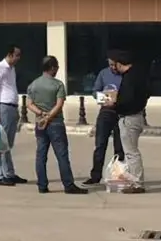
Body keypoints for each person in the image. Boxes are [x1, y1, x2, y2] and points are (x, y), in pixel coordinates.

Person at [26, 56, 88, 194]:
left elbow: (29, 104)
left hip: (40, 123)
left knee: (41, 155)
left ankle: (42, 185)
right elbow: (59, 105)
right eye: (57, 67)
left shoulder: (34, 84)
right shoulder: (58, 85)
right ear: (52, 68)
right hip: (56, 123)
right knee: (62, 155)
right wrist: (49, 116)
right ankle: (68, 185)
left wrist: (41, 114)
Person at [103, 49, 150, 194]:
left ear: (119, 63)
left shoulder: (129, 78)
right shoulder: (139, 74)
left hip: (129, 118)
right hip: (137, 115)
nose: (112, 68)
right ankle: (133, 181)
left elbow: (128, 100)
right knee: (131, 151)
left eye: (113, 64)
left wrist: (114, 104)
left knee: (131, 152)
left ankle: (137, 183)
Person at [0, 45, 27, 186]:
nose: (18, 58)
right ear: (10, 54)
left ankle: (9, 173)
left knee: (8, 144)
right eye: (17, 55)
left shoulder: (12, 69)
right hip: (3, 107)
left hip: (12, 108)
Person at [84, 57, 125, 185]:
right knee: (100, 145)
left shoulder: (125, 74)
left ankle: (118, 175)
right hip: (106, 112)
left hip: (121, 112)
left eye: (115, 65)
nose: (113, 67)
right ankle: (95, 176)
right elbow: (95, 92)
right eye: (110, 65)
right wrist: (106, 98)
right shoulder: (103, 73)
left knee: (119, 147)